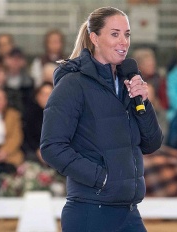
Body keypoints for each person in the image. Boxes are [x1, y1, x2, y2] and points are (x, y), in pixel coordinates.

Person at [40, 6, 163, 232]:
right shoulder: (73, 84)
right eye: (114, 34)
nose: (123, 41)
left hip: (128, 212)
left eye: (126, 34)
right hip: (90, 211)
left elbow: (152, 143)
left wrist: (143, 102)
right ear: (94, 38)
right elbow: (52, 147)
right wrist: (102, 179)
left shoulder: (128, 83)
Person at [23, 82, 53, 164]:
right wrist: (37, 150)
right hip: (35, 150)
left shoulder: (63, 115)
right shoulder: (29, 114)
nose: (46, 98)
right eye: (43, 94)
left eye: (49, 94)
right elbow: (28, 137)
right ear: (37, 96)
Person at [4, 47, 34, 114]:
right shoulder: (1, 80)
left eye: (18, 59)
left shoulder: (29, 82)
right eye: (12, 58)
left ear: (23, 61)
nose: (15, 61)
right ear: (6, 60)